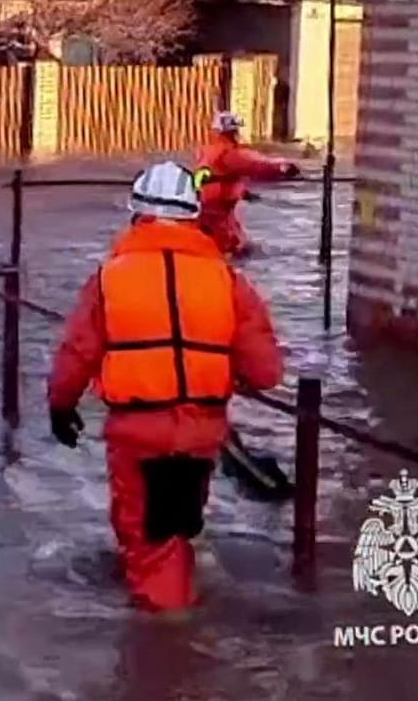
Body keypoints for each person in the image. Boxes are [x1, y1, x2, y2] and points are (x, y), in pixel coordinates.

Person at [44, 161, 285, 614]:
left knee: (148, 543)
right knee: (174, 530)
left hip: (137, 434)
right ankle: (177, 620)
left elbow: (76, 353)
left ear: (136, 215)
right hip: (201, 434)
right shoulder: (229, 281)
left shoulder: (108, 279)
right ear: (195, 217)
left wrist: (61, 407)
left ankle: (166, 657)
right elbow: (266, 372)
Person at [195, 110, 301, 257]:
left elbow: (209, 180)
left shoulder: (207, 152)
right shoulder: (230, 153)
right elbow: (259, 164)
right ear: (233, 131)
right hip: (221, 220)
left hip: (208, 213)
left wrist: (243, 193)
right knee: (237, 248)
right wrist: (285, 167)